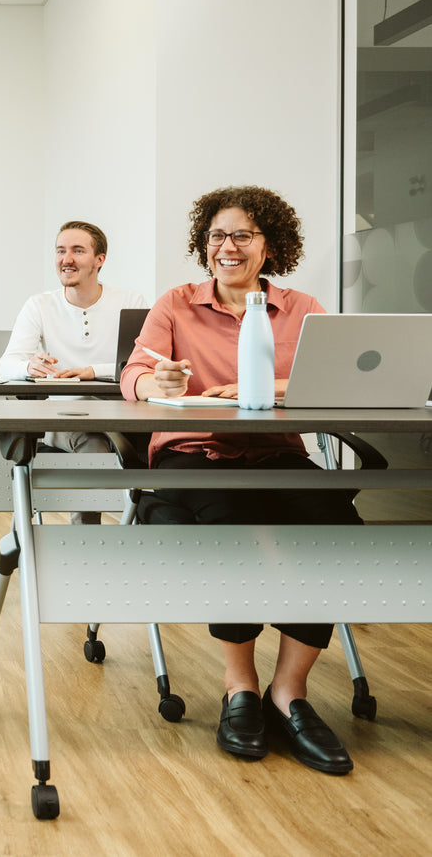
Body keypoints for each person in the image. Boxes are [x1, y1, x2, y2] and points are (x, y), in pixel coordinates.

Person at [120, 185, 360, 775]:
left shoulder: (302, 309)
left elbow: (331, 380)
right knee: (233, 524)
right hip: (194, 453)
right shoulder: (175, 304)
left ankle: (289, 690)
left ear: (269, 245)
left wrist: (268, 389)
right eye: (216, 236)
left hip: (274, 453)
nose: (226, 247)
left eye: (242, 236)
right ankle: (240, 686)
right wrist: (161, 386)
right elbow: (135, 375)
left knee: (335, 524)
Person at [0, 220, 147, 523]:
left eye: (78, 251)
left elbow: (142, 364)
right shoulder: (39, 305)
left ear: (99, 259)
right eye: (61, 251)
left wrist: (93, 371)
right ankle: (84, 546)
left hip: (124, 415)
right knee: (94, 444)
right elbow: (6, 364)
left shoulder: (131, 301)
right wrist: (28, 366)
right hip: (65, 417)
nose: (67, 259)